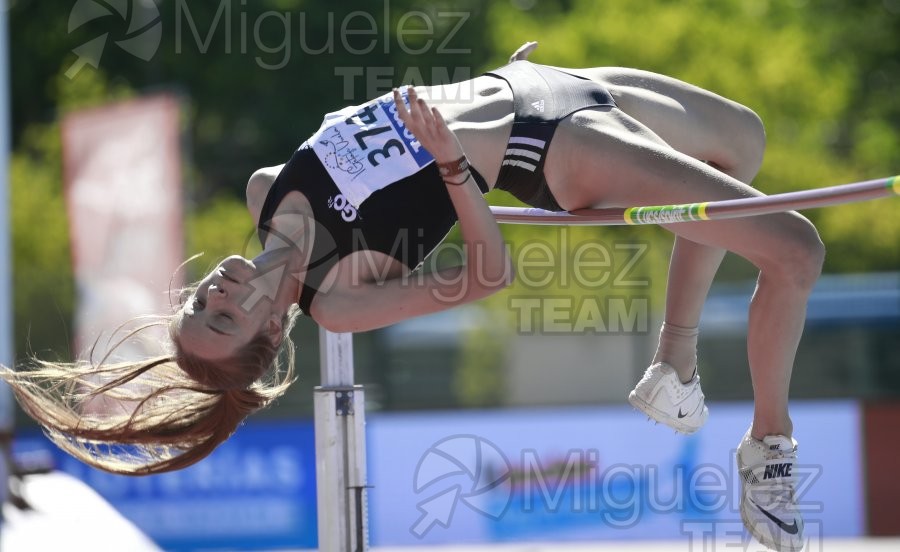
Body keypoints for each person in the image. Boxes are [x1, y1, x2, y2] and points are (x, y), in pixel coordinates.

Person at [1, 43, 819, 552]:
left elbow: (386, 131)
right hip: (552, 147)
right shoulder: (339, 298)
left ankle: (674, 363)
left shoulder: (263, 190)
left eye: (195, 306)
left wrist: (462, 104)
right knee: (795, 251)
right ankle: (769, 448)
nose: (213, 291)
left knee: (741, 138)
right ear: (269, 333)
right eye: (221, 318)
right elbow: (486, 276)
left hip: (535, 80)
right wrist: (458, 168)